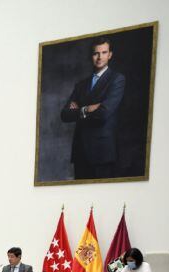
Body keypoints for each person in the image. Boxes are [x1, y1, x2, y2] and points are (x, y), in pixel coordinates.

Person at [60, 36, 126, 180]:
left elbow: (103, 113)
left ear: (110, 55)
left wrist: (78, 110)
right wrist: (87, 109)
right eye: (96, 53)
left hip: (102, 152)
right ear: (91, 56)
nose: (99, 57)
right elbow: (65, 115)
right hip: (80, 151)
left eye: (103, 52)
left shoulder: (117, 79)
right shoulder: (81, 85)